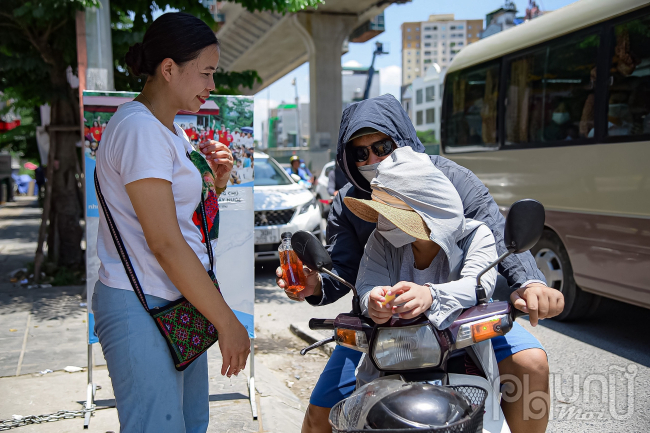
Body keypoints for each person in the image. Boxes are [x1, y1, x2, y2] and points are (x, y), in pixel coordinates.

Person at [275, 95, 564, 433]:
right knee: (318, 418)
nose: (373, 159)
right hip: (380, 331)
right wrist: (318, 283)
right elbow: (346, 269)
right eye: (360, 153)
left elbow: (498, 234)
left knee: (531, 364)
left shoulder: (451, 181)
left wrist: (530, 283)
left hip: (463, 320)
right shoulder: (350, 205)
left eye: (383, 146)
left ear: (404, 140)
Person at [93, 12, 250, 432]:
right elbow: (164, 243)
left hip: (175, 301)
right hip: (141, 303)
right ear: (168, 69)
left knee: (188, 422)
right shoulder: (139, 129)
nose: (211, 86)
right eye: (206, 73)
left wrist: (216, 184)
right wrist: (227, 321)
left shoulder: (169, 132)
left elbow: (191, 225)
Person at [345, 146, 499, 387]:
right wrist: (372, 301)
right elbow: (367, 284)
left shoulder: (477, 236)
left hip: (462, 357)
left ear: (429, 210)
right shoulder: (381, 239)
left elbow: (479, 287)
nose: (386, 222)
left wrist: (430, 295)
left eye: (396, 215)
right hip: (389, 360)